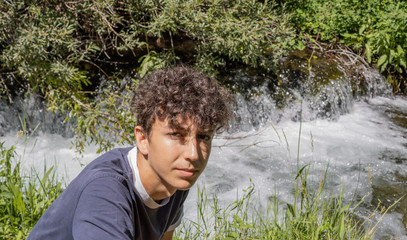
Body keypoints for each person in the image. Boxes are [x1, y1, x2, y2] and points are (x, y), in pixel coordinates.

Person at [27, 66, 232, 240]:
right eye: (176, 134)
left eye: (203, 137)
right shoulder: (104, 193)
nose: (193, 154)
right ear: (143, 139)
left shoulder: (175, 179)